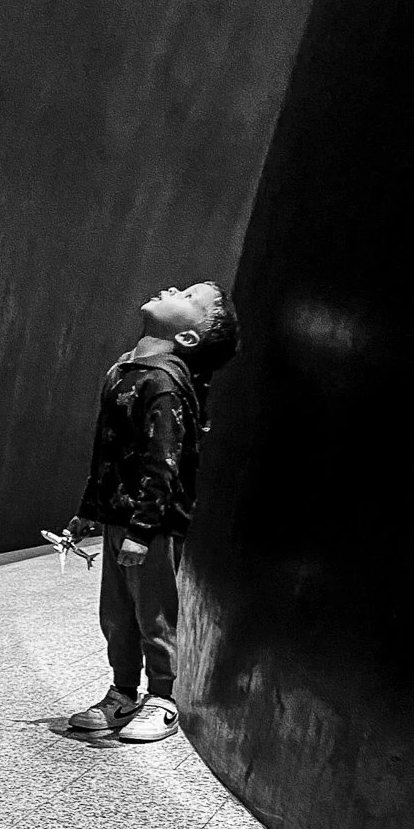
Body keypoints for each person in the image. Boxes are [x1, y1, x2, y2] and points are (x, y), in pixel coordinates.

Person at [64, 280, 240, 742]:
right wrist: (89, 511)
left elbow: (165, 463)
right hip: (121, 519)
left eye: (187, 297)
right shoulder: (125, 369)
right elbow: (108, 453)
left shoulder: (162, 382)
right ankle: (122, 692)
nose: (172, 288)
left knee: (154, 612)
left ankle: (161, 697)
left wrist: (143, 530)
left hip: (152, 526)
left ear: (187, 338)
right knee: (117, 613)